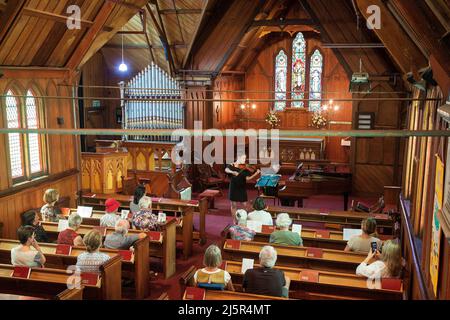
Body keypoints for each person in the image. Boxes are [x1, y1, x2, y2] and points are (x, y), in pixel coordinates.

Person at [225, 154, 261, 219]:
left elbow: (248, 178)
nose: (244, 160)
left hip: (242, 187)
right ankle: (234, 221)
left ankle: (247, 219)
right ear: (238, 158)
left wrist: (255, 174)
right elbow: (226, 169)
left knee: (245, 205)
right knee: (233, 205)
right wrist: (232, 172)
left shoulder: (245, 168)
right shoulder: (232, 165)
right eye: (243, 158)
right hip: (233, 187)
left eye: (245, 158)